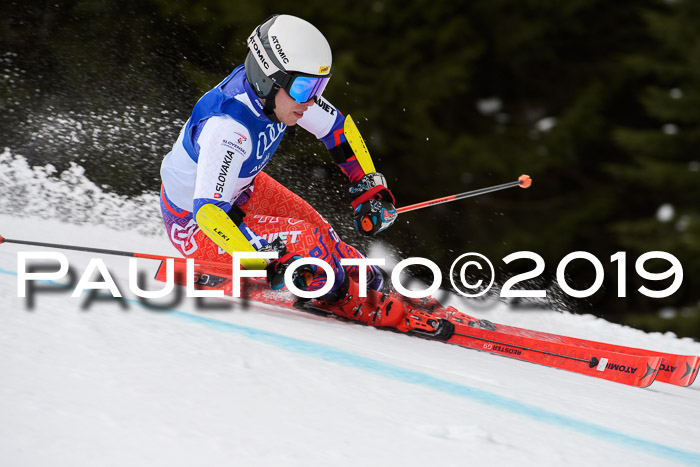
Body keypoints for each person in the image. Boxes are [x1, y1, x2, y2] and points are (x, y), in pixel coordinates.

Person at [159, 14, 445, 334]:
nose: (312, 99)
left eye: (319, 85)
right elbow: (209, 211)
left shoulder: (283, 98)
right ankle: (339, 297)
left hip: (242, 191)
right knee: (308, 243)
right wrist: (259, 259)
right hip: (196, 225)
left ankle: (373, 283)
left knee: (320, 230)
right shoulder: (228, 128)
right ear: (269, 77)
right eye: (306, 86)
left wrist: (367, 186)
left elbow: (338, 128)